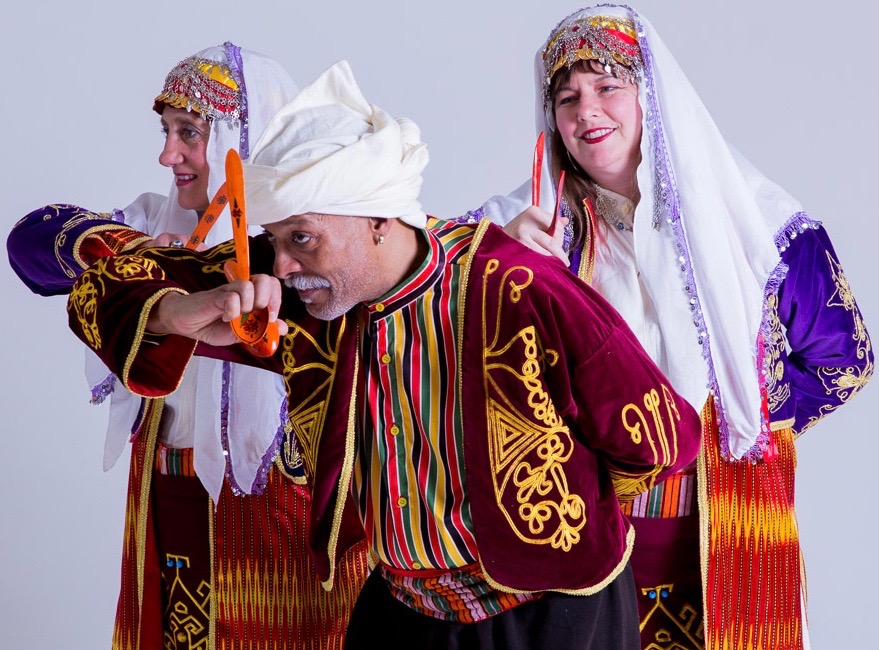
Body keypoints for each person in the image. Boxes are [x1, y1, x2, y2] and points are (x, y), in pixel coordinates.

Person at [62, 59, 702, 649]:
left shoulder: (518, 287)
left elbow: (665, 439)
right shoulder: (305, 293)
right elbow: (105, 282)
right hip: (402, 612)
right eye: (275, 240)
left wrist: (551, 508)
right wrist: (181, 315)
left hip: (551, 616)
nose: (281, 265)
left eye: (301, 239)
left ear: (377, 220)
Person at [469, 5, 874, 650]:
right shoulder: (521, 226)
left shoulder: (757, 221)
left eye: (608, 86)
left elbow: (844, 360)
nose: (586, 111)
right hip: (586, 536)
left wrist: (733, 419)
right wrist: (500, 262)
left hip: (729, 521)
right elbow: (439, 322)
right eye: (567, 97)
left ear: (650, 95)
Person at [8, 43, 368, 649]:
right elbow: (28, 245)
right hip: (166, 494)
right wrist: (142, 257)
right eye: (167, 132)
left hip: (283, 512)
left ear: (242, 139)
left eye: (190, 133)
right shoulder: (151, 226)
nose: (167, 154)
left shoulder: (310, 245)